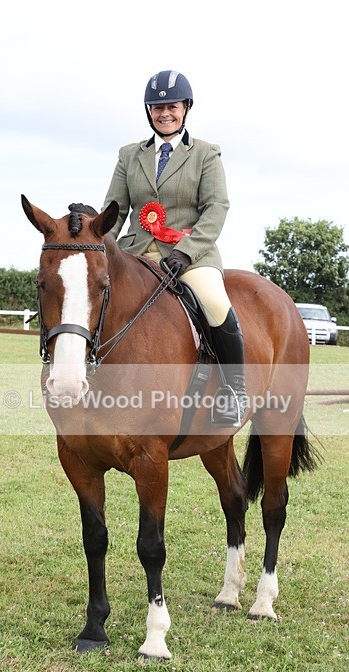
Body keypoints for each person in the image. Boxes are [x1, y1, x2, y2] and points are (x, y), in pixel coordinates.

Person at [103, 69, 246, 427]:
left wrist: (188, 249)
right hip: (135, 252)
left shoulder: (206, 154)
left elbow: (217, 208)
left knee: (214, 302)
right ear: (148, 111)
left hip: (190, 255)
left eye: (172, 106)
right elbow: (115, 211)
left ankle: (234, 390)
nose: (164, 113)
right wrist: (100, 246)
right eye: (157, 107)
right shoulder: (129, 155)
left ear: (186, 108)